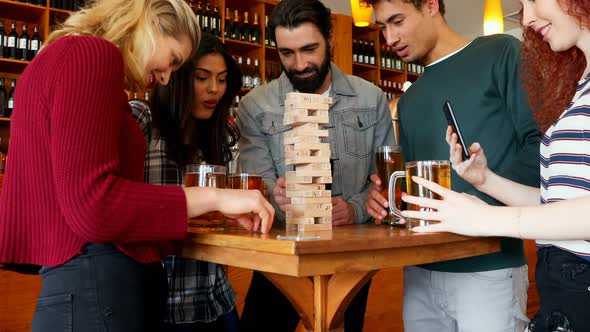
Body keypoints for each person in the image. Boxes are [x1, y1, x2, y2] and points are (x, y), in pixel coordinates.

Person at [0, 1, 274, 331]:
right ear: (154, 23)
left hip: (80, 288)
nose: (166, 77)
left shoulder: (59, 55)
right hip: (98, 292)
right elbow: (95, 206)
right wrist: (214, 198)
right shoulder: (92, 54)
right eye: (173, 60)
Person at [401, 0, 590, 330]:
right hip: (563, 291)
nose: (526, 18)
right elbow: (564, 204)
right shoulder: (578, 86)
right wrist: (486, 181)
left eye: (532, 0)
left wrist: (485, 218)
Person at [365, 0, 542, 331]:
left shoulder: (502, 52)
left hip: (490, 268)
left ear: (431, 5)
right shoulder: (410, 100)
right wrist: (385, 199)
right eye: (382, 27)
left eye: (397, 21)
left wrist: (489, 212)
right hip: (418, 272)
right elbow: (411, 190)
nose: (390, 38)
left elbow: (539, 144)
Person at [237, 1, 394, 331]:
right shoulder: (255, 105)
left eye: (310, 49)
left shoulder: (372, 98)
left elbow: (386, 182)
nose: (300, 63)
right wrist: (270, 195)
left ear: (330, 38)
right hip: (282, 257)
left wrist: (354, 209)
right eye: (287, 53)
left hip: (351, 258)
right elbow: (254, 183)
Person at [130, 33, 244, 332]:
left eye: (221, 79)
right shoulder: (142, 119)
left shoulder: (218, 136)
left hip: (216, 300)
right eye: (202, 77)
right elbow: (118, 204)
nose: (214, 89)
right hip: (160, 305)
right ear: (176, 77)